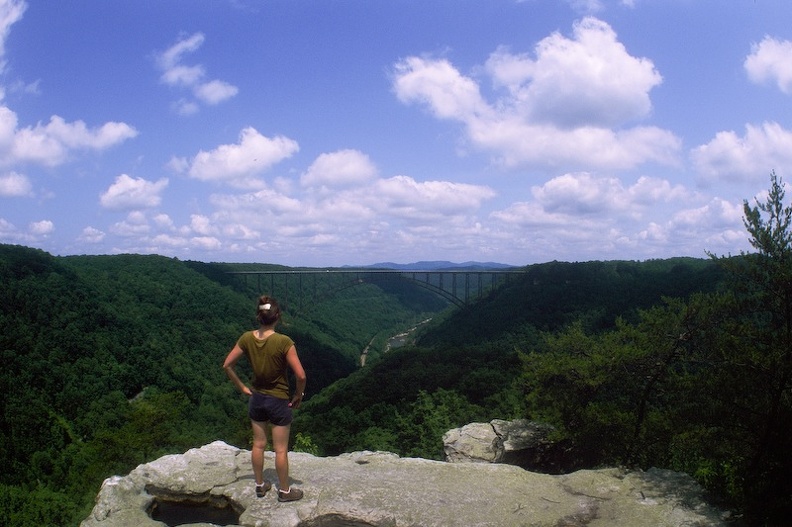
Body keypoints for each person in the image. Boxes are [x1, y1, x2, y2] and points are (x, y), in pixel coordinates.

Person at [223, 295, 307, 502]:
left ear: (258, 316)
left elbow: (227, 365)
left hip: (257, 399)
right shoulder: (284, 342)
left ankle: (260, 486)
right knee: (280, 450)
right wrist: (298, 394)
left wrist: (242, 387)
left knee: (258, 444)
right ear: (277, 316)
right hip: (278, 401)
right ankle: (285, 491)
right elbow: (301, 375)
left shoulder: (247, 338)